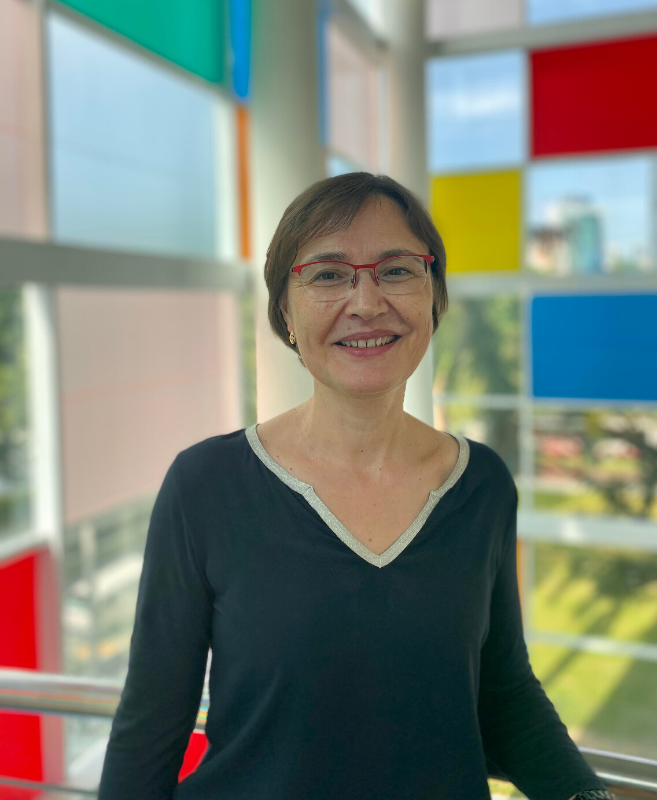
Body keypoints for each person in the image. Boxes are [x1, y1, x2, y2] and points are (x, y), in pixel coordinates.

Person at [97, 172, 615, 800]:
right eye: (327, 274)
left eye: (396, 270)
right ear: (285, 312)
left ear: (433, 298)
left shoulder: (481, 486)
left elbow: (502, 692)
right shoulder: (206, 486)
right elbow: (151, 727)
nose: (366, 302)